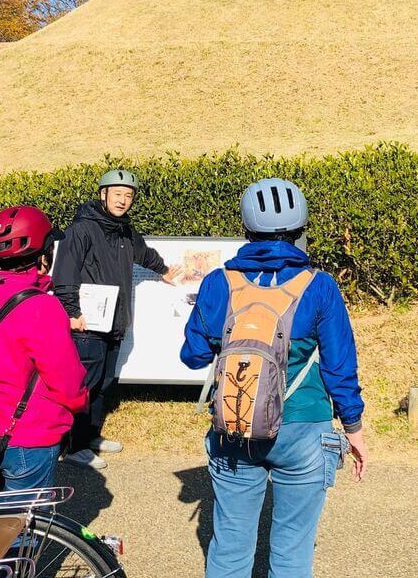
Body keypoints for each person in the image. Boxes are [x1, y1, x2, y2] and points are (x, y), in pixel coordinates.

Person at [181, 177, 368, 578]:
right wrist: (353, 429)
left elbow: (193, 356)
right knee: (292, 549)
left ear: (246, 229)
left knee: (230, 546)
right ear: (302, 230)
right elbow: (340, 368)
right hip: (304, 428)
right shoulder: (319, 286)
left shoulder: (219, 282)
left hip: (235, 420)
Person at [0, 205, 89, 494]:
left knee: (0, 516)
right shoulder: (41, 307)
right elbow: (66, 381)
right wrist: (81, 403)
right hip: (29, 433)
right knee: (23, 526)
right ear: (45, 251)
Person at [53, 169, 178, 470]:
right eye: (117, 194)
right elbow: (64, 273)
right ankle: (72, 446)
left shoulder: (123, 230)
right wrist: (72, 312)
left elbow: (143, 253)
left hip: (113, 321)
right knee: (85, 384)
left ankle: (90, 436)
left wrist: (164, 270)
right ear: (103, 194)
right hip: (87, 323)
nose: (123, 201)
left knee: (104, 383)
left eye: (129, 195)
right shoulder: (81, 229)